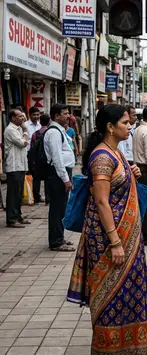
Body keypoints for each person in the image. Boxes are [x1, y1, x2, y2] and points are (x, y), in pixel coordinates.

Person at [67, 105, 147, 355]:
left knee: (128, 296)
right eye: (124, 122)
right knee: (111, 299)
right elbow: (102, 201)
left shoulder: (116, 153)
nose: (129, 126)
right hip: (110, 242)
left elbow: (118, 187)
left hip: (127, 240)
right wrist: (115, 242)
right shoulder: (102, 158)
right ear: (110, 126)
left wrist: (133, 175)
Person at [44, 104, 76, 251]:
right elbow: (57, 159)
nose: (68, 116)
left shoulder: (60, 131)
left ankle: (59, 237)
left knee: (61, 207)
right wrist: (65, 179)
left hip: (62, 174)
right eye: (65, 113)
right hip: (57, 175)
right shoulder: (54, 133)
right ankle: (56, 241)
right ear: (57, 116)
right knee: (57, 208)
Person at [133, 106, 147, 246]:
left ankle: (142, 233)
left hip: (139, 170)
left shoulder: (138, 129)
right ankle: (146, 235)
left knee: (142, 203)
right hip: (146, 171)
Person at [4, 108, 30, 228]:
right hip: (13, 166)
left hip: (21, 165)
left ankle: (18, 216)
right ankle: (11, 219)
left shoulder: (19, 128)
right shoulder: (10, 130)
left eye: (23, 116)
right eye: (20, 116)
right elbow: (23, 143)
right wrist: (25, 131)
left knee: (19, 193)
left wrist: (24, 130)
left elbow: (26, 141)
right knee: (13, 193)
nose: (23, 118)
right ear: (13, 118)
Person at [30, 114, 51, 205]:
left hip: (37, 160)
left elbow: (32, 148)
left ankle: (36, 199)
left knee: (36, 179)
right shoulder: (50, 133)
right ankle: (48, 199)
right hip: (47, 159)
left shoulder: (35, 134)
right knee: (48, 179)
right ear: (49, 122)